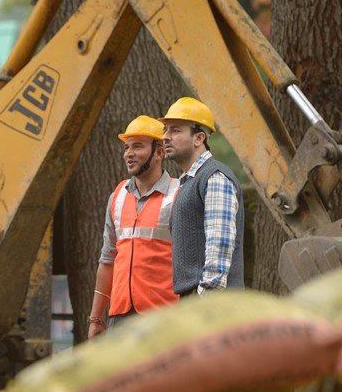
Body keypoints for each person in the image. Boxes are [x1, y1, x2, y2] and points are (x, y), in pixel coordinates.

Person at [87, 116, 180, 339]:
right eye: (126, 147)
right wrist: (96, 318)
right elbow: (107, 260)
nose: (129, 153)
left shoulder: (178, 194)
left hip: (164, 318)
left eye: (138, 146)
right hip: (120, 317)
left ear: (159, 152)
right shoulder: (117, 197)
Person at [160, 97, 245, 298]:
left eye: (175, 130)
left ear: (198, 138)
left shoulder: (215, 178)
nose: (165, 137)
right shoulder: (190, 181)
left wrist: (203, 301)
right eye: (166, 130)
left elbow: (220, 245)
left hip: (212, 305)